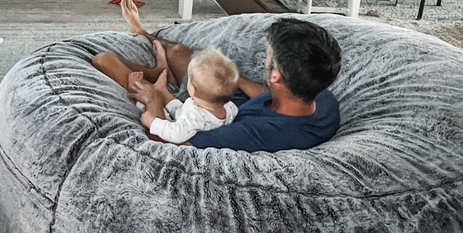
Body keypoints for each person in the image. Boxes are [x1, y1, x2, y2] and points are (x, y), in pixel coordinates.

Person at [130, 17, 342, 152]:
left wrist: (154, 100)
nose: (264, 60)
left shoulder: (256, 134)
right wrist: (233, 77)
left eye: (268, 55)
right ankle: (153, 50)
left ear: (276, 76)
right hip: (215, 96)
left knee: (106, 61)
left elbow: (166, 143)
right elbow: (265, 94)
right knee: (182, 53)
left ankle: (159, 70)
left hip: (200, 109)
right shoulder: (322, 97)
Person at [129, 48, 239, 144]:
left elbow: (175, 133)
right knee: (182, 107)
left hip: (176, 128)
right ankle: (162, 91)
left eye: (189, 80)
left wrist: (152, 122)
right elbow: (184, 111)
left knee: (145, 107)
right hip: (184, 117)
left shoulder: (194, 116)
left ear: (194, 90)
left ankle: (135, 89)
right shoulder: (230, 107)